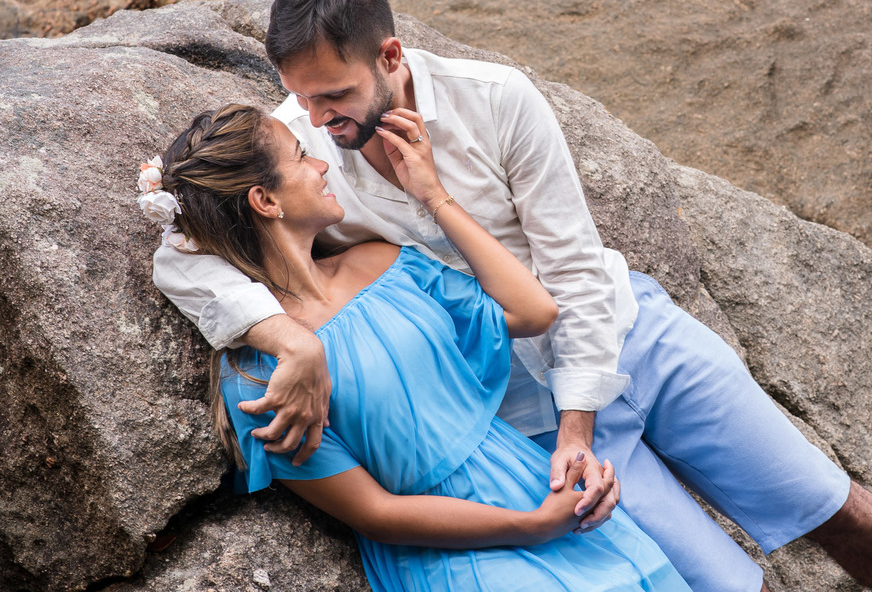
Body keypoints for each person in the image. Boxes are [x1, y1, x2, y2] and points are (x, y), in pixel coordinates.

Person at [154, 0, 872, 592]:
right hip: (523, 419)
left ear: (389, 57)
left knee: (830, 503)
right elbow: (184, 246)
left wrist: (581, 423)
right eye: (302, 99)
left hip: (633, 339)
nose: (318, 121)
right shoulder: (298, 150)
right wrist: (289, 340)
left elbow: (566, 271)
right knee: (719, 584)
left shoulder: (498, 101)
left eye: (335, 95)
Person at [140, 103, 693, 590]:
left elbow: (533, 311)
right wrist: (532, 526)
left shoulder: (380, 261)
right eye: (301, 156)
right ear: (264, 200)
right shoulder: (260, 375)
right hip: (451, 550)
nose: (322, 164)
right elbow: (375, 512)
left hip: (535, 480)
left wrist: (434, 196)